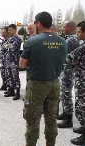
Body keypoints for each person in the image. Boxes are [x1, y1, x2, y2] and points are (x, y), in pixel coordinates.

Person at [19, 11, 67, 146]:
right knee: (51, 119)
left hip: (37, 85)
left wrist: (32, 62)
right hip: (55, 83)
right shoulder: (63, 41)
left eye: (35, 23)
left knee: (33, 119)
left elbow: (22, 64)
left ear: (38, 24)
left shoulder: (32, 41)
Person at [57, 20, 80, 128]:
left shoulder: (71, 39)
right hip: (66, 70)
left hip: (68, 71)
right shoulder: (71, 38)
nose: (62, 28)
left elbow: (66, 56)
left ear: (70, 27)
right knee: (64, 93)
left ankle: (68, 119)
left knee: (66, 94)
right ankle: (66, 113)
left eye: (64, 26)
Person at [4, 24, 22, 100]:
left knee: (15, 77)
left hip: (14, 61)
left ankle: (17, 93)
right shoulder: (10, 39)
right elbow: (4, 46)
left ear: (15, 30)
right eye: (8, 30)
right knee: (9, 76)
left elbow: (13, 48)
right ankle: (11, 90)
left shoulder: (17, 38)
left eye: (10, 30)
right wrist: (8, 45)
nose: (9, 31)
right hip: (8, 60)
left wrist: (8, 45)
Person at [0, 26, 9, 91]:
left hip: (8, 60)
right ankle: (4, 85)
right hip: (3, 60)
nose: (2, 33)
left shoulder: (9, 40)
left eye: (3, 32)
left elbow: (6, 49)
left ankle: (10, 87)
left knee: (8, 74)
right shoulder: (3, 40)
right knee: (3, 73)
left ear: (7, 33)